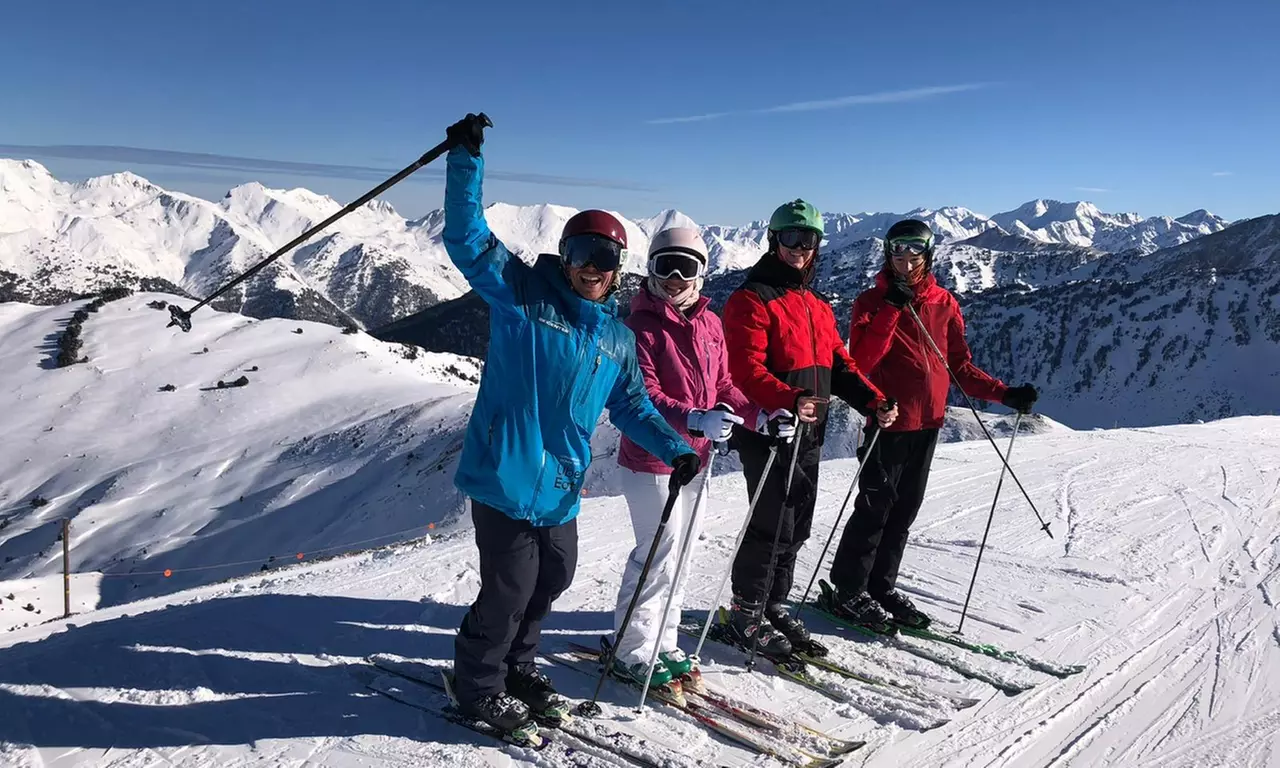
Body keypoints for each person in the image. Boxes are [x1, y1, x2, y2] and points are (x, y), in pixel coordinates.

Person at [440, 114, 701, 733]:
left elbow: (632, 405)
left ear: (618, 266)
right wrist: (466, 160)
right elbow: (468, 239)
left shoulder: (614, 336)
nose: (592, 266)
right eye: (582, 253)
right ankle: (477, 684)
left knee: (552, 577)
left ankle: (518, 667)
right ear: (566, 256)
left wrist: (678, 447)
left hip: (560, 487)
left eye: (605, 256)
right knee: (507, 590)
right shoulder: (522, 298)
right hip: (503, 475)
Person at [825, 218, 1039, 632]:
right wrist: (891, 308)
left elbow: (958, 366)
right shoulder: (871, 302)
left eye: (913, 252)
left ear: (928, 254)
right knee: (874, 510)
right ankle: (849, 589)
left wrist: (1004, 394)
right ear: (888, 254)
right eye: (897, 252)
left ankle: (880, 587)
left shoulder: (944, 303)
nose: (905, 261)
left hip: (929, 423)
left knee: (904, 512)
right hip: (886, 421)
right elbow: (862, 362)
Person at [719, 199, 898, 658]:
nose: (801, 247)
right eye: (791, 238)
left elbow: (839, 365)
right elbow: (743, 369)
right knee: (771, 520)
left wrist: (872, 400)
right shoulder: (751, 298)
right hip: (770, 428)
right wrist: (788, 399)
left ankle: (774, 602)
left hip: (809, 428)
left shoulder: (816, 305)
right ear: (774, 241)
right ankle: (746, 610)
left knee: (798, 519)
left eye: (809, 239)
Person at [609, 226, 760, 692]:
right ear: (649, 269)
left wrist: (759, 414)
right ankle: (631, 648)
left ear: (702, 272)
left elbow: (724, 386)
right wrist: (696, 419)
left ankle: (665, 641)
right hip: (652, 460)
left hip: (698, 459)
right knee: (657, 555)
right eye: (664, 266)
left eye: (686, 267)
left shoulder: (710, 324)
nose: (674, 278)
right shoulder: (638, 327)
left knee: (684, 555)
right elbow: (644, 397)